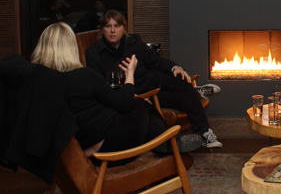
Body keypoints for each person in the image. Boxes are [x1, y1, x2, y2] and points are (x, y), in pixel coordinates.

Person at [31, 22, 201, 154]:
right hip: (108, 144)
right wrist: (130, 74)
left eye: (116, 26)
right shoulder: (83, 76)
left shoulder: (40, 80)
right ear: (70, 48)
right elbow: (124, 104)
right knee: (140, 105)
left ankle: (166, 144)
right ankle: (167, 143)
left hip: (89, 137)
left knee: (139, 104)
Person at [85, 9, 223, 149]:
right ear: (102, 29)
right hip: (135, 94)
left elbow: (156, 61)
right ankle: (195, 97)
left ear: (124, 28)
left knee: (180, 79)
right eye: (108, 26)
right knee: (188, 96)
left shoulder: (134, 42)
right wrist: (132, 96)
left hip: (152, 82)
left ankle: (205, 132)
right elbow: (100, 86)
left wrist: (176, 68)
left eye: (117, 26)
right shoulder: (94, 53)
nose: (112, 31)